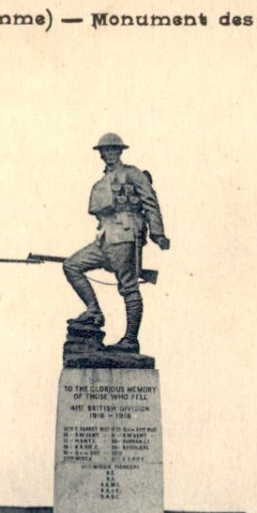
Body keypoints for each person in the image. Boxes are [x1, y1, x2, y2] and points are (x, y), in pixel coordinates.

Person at [63, 133, 170, 352]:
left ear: (120, 152)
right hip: (105, 238)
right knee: (72, 265)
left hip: (125, 236)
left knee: (128, 286)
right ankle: (94, 311)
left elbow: (150, 201)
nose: (110, 154)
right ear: (101, 154)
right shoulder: (102, 180)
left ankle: (130, 339)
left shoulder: (132, 174)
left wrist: (157, 233)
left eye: (114, 150)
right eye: (106, 150)